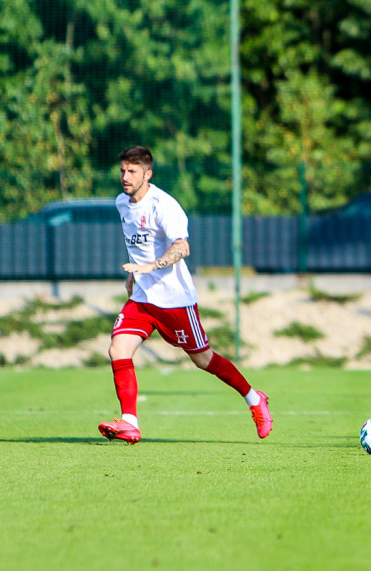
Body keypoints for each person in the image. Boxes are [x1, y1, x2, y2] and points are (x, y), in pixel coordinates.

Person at [97, 146, 272, 444]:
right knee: (118, 349)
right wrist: (133, 274)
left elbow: (182, 247)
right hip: (142, 299)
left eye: (132, 172)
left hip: (174, 299)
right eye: (123, 170)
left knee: (203, 359)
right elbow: (138, 244)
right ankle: (130, 422)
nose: (125, 177)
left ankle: (255, 399)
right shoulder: (121, 203)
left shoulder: (164, 205)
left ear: (147, 174)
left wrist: (151, 266)